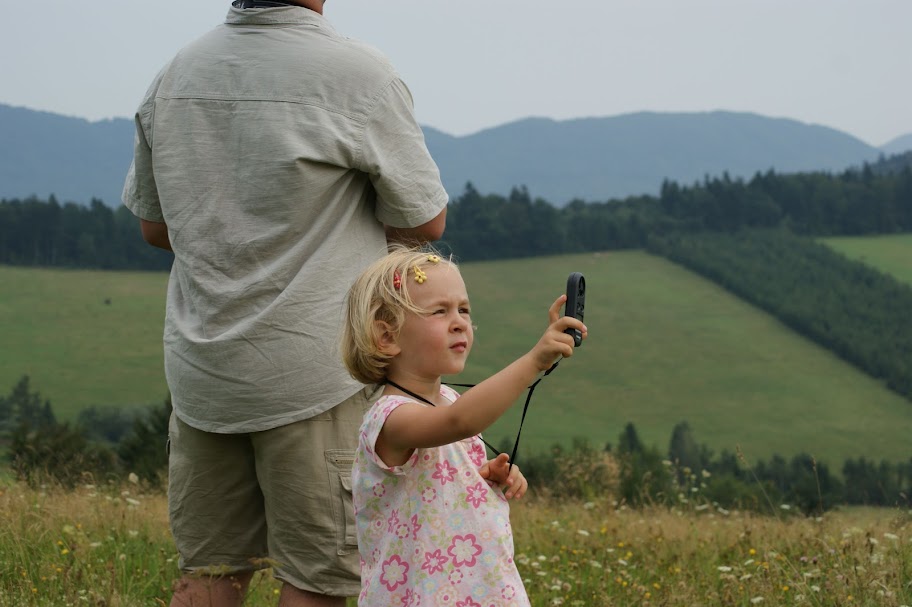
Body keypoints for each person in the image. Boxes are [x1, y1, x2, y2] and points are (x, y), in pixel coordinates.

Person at [121, 0, 448, 605]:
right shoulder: (360, 74)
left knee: (208, 575)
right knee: (316, 583)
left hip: (204, 377)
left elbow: (155, 228)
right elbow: (425, 221)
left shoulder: (175, 75)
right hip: (315, 372)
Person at [341, 247, 588, 606]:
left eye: (464, 309)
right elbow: (459, 423)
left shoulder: (450, 400)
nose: (459, 321)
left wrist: (486, 475)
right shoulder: (389, 418)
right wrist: (534, 360)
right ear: (387, 337)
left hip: (477, 590)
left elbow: (442, 467)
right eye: (439, 311)